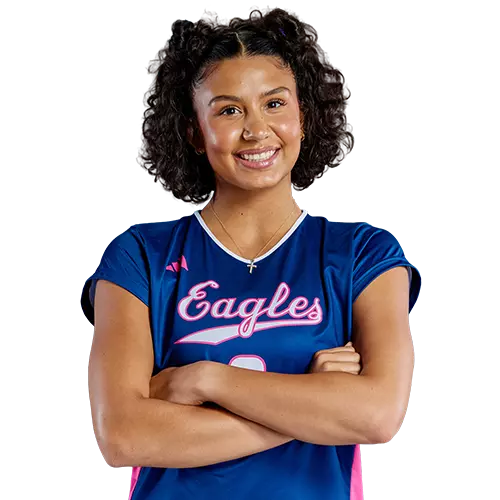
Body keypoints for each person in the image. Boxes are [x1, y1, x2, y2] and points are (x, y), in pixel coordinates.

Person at [81, 7, 422, 500]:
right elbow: (124, 437)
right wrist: (314, 404)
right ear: (194, 132)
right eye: (229, 110)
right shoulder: (139, 257)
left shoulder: (364, 255)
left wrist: (205, 380)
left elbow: (377, 417)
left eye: (275, 103)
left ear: (304, 116)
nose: (257, 130)